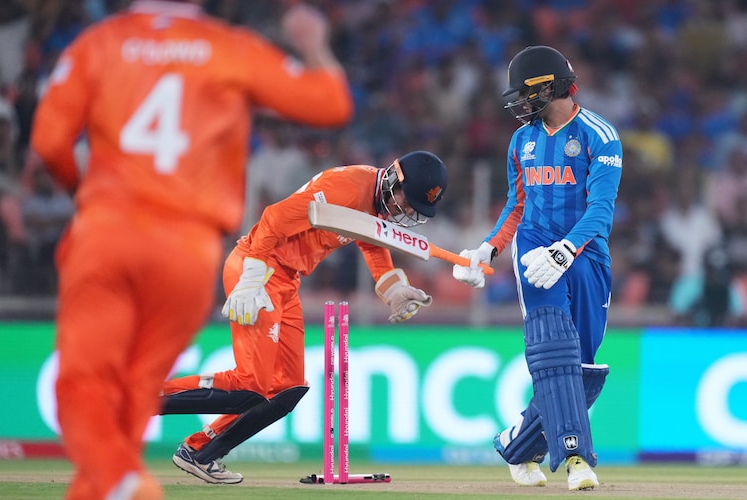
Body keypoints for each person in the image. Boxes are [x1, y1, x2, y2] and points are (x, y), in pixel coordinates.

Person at [28, 1, 352, 498]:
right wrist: (313, 44)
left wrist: (83, 195)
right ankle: (120, 482)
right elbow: (330, 104)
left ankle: (123, 482)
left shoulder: (100, 43)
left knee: (84, 387)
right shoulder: (229, 48)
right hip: (186, 247)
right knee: (141, 386)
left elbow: (50, 143)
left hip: (107, 231)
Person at [161, 150, 447, 484]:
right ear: (394, 179)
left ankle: (199, 451)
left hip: (286, 280)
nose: (409, 211)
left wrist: (392, 286)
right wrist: (253, 274)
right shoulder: (346, 188)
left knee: (288, 388)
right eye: (409, 201)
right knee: (250, 386)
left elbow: (371, 241)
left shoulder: (372, 201)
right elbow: (274, 217)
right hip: (259, 269)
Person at [453, 45, 622, 491]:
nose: (519, 104)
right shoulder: (521, 140)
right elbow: (517, 205)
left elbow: (601, 209)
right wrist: (488, 249)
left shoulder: (599, 135)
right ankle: (577, 459)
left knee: (582, 371)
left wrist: (566, 251)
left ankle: (517, 444)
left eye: (526, 93)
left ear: (550, 87)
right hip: (533, 252)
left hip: (586, 254)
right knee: (554, 352)